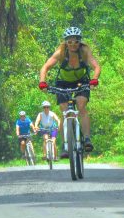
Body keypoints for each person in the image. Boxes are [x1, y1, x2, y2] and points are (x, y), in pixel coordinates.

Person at [38, 27, 101, 157]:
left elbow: (96, 66)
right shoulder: (61, 52)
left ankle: (87, 139)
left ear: (80, 42)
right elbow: (45, 67)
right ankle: (66, 144)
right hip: (63, 83)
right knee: (64, 110)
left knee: (81, 105)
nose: (73, 45)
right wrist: (43, 82)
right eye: (70, 42)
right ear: (66, 42)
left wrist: (94, 80)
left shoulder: (84, 51)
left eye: (76, 42)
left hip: (81, 82)